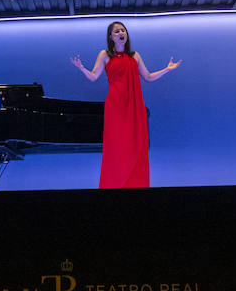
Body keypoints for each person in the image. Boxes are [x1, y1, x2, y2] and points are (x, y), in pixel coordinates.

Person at [70, 21, 181, 188]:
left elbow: (149, 77)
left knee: (137, 147)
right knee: (117, 148)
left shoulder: (135, 56)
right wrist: (81, 68)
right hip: (115, 107)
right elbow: (93, 76)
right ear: (111, 37)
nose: (121, 32)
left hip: (135, 107)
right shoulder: (105, 55)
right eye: (116, 31)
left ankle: (136, 187)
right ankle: (114, 187)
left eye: (123, 30)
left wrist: (167, 69)